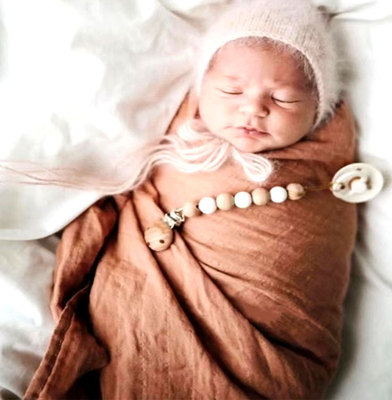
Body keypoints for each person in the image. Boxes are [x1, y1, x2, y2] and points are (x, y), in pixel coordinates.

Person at [25, 1, 358, 399]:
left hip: (267, 348)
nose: (253, 108)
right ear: (202, 90)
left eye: (284, 99)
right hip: (152, 301)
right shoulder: (184, 142)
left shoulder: (321, 171)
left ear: (318, 110)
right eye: (231, 90)